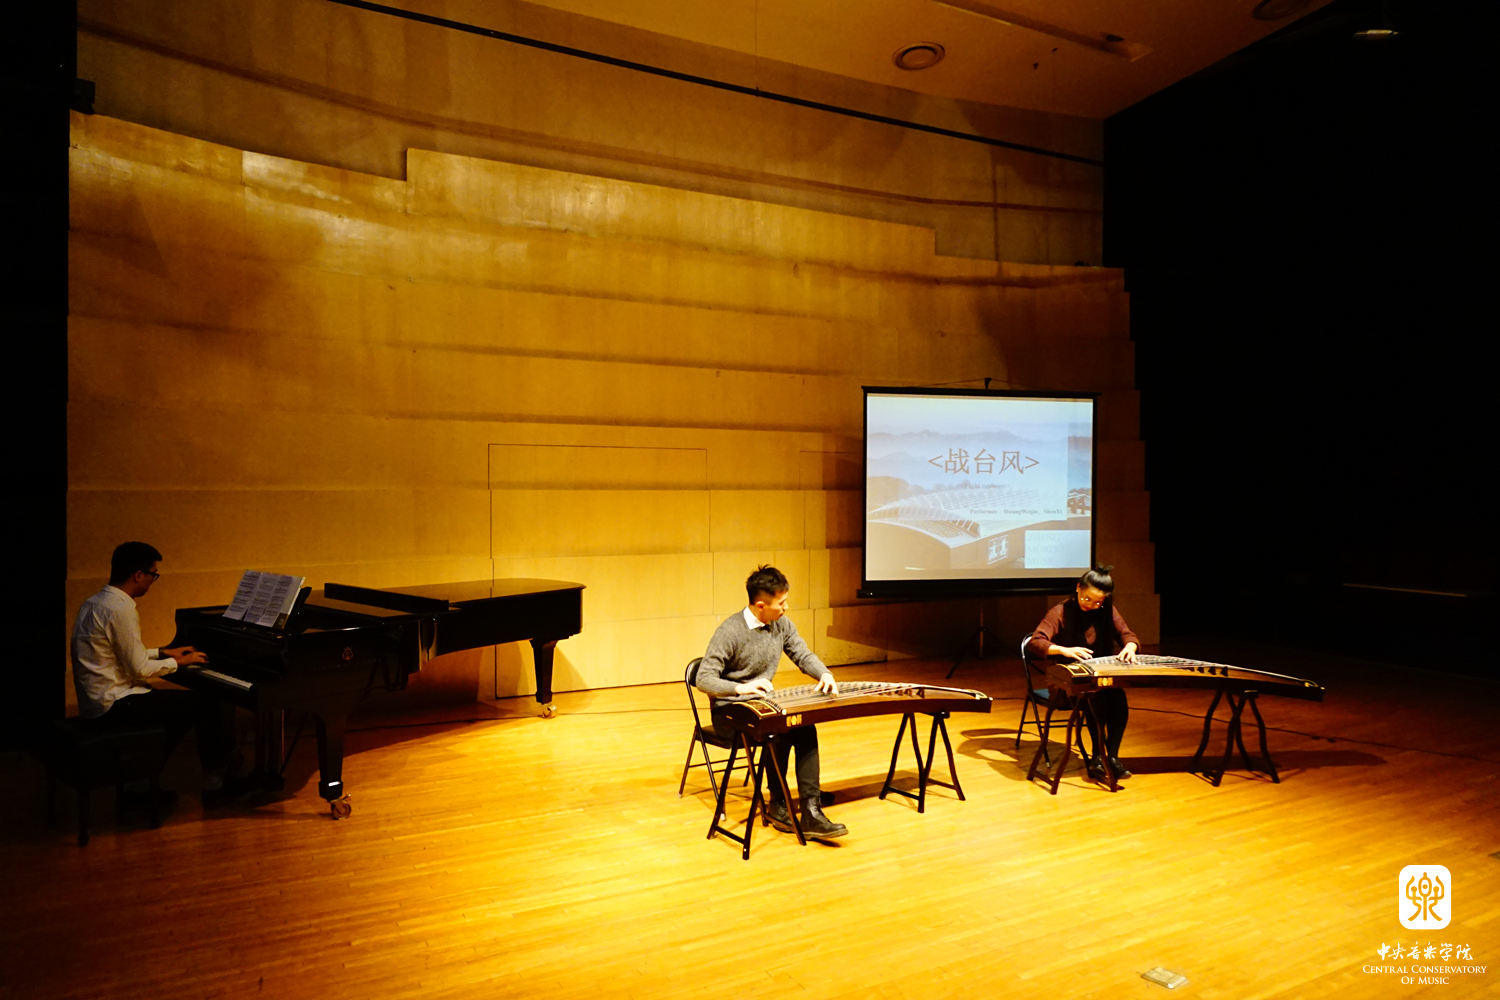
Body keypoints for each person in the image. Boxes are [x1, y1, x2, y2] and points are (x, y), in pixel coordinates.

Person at [71, 541, 242, 810]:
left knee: (179, 710)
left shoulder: (95, 602)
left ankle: (141, 781)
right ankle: (215, 782)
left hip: (96, 700)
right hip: (114, 703)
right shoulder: (121, 608)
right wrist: (179, 662)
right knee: (205, 703)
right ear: (138, 575)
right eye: (153, 574)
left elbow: (121, 653)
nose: (153, 580)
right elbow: (138, 669)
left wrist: (163, 652)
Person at [695, 565, 847, 839]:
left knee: (803, 725)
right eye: (781, 603)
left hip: (761, 706)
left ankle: (811, 807)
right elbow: (704, 678)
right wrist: (741, 688)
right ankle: (778, 804)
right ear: (761, 605)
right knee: (780, 730)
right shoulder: (730, 631)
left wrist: (824, 673)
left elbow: (802, 654)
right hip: (728, 712)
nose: (786, 607)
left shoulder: (781, 625)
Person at [1026, 566, 1140, 783]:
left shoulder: (1107, 610)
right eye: (1088, 599)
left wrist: (1130, 647)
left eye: (1098, 602)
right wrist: (1064, 650)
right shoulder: (1060, 611)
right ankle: (1099, 756)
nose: (1092, 605)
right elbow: (1036, 641)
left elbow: (1127, 635)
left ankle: (1111, 757)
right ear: (1078, 588)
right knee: (1093, 697)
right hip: (1066, 681)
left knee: (1118, 698)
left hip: (1100, 677)